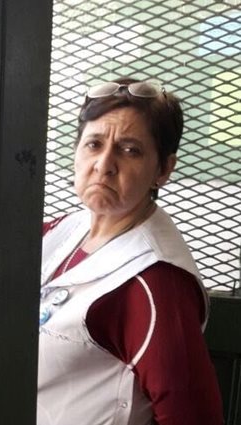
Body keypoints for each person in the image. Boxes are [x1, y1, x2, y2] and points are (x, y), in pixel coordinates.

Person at [37, 77, 224, 425]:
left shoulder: (156, 284)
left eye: (130, 150)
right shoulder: (63, 230)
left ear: (163, 170)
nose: (104, 164)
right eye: (94, 144)